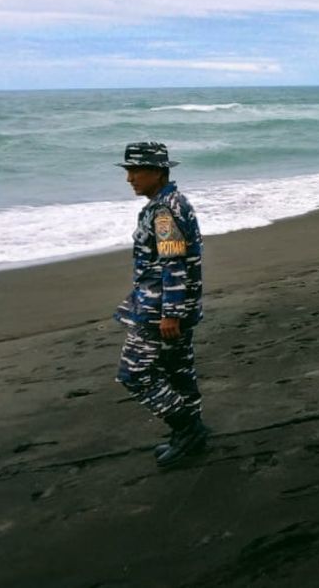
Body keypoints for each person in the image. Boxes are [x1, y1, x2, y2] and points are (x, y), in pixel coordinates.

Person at [113, 141, 208, 468]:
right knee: (177, 370)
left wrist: (170, 314)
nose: (130, 178)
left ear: (157, 172)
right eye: (128, 170)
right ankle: (191, 437)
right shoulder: (171, 202)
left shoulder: (165, 211)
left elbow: (173, 263)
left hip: (160, 311)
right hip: (176, 306)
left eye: (136, 170)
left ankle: (187, 429)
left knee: (134, 373)